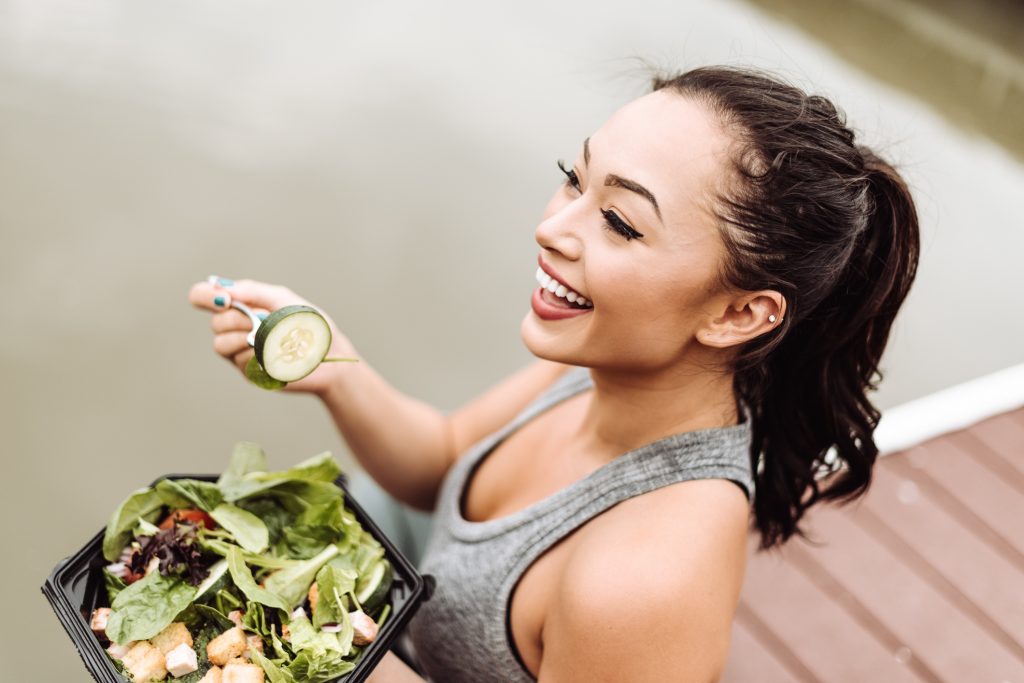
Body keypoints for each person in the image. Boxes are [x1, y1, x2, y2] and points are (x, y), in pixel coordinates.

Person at [189, 66, 920, 682]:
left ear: (737, 313)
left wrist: (326, 651)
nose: (552, 227)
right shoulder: (602, 366)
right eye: (574, 179)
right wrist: (333, 368)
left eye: (622, 222)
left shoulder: (648, 576)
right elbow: (442, 466)